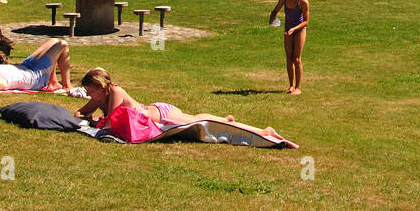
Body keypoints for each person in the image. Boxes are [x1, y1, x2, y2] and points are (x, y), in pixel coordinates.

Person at [75, 68, 274, 134]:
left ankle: (260, 131)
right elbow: (79, 113)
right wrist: (89, 117)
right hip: (157, 115)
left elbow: (109, 123)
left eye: (90, 91)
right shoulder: (100, 98)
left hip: (162, 115)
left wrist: (92, 121)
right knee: (196, 120)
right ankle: (224, 119)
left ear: (101, 88)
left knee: (199, 122)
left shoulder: (115, 92)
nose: (89, 95)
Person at [268, 0, 310, 94]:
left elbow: (306, 21)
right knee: (289, 58)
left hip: (299, 30)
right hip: (288, 29)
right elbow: (275, 11)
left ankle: (298, 87)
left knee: (296, 58)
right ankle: (291, 85)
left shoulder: (303, 2)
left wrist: (294, 29)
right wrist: (272, 18)